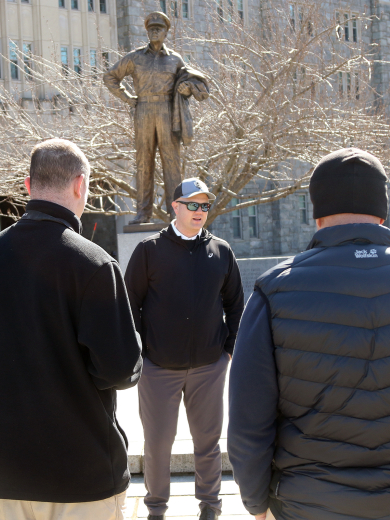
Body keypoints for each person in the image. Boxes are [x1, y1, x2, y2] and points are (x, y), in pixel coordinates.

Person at [228, 148, 390, 520]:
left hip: (308, 505)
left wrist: (257, 504)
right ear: (383, 212)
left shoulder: (275, 290)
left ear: (317, 212)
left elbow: (248, 421)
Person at [0, 139, 142, 520]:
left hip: (11, 470)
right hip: (83, 471)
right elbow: (120, 370)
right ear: (81, 186)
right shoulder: (93, 263)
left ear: (28, 187)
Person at [124, 178, 244, 520]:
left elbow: (235, 303)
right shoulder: (149, 250)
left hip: (209, 366)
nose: (199, 211)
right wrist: (139, 353)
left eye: (205, 205)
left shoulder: (220, 251)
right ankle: (156, 510)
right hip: (159, 368)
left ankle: (210, 506)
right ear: (174, 207)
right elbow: (130, 305)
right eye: (192, 204)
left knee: (208, 443)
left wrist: (230, 350)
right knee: (158, 445)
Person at [103, 12, 209, 224]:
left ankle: (176, 213)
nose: (154, 32)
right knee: (143, 162)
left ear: (166, 32)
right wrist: (127, 98)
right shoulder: (135, 58)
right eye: (151, 29)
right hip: (143, 109)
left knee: (172, 163)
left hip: (167, 111)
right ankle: (143, 212)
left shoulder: (175, 59)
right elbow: (110, 76)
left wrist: (186, 88)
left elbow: (187, 85)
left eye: (158, 29)